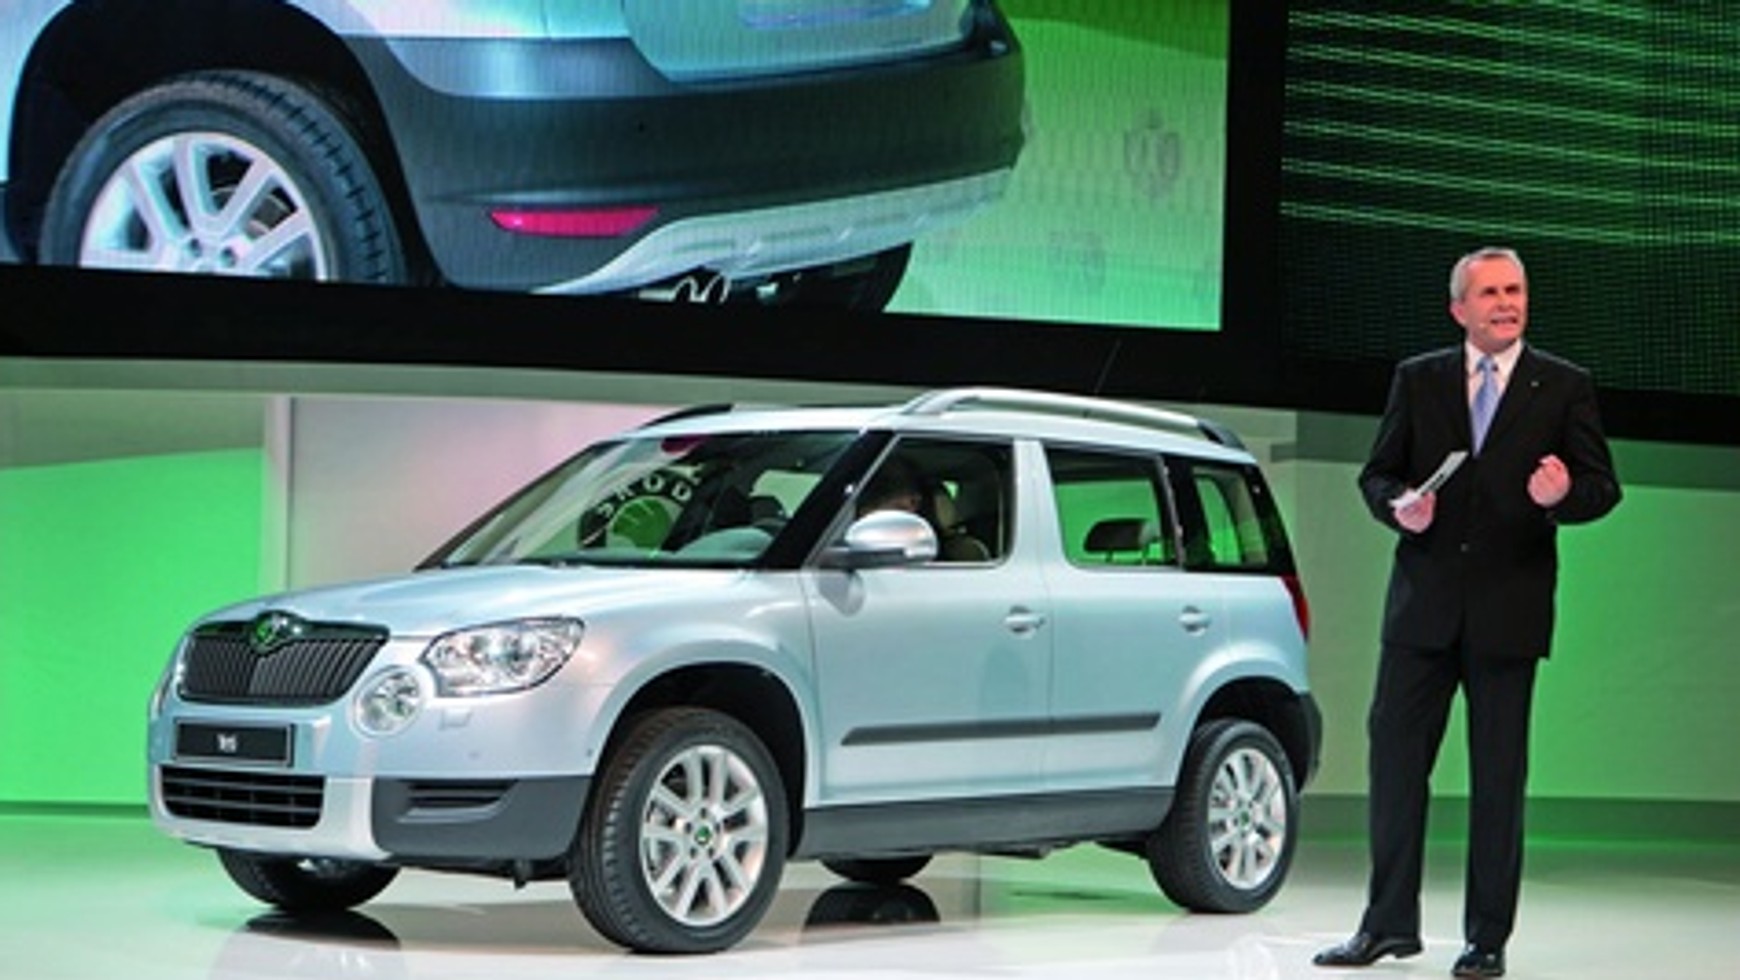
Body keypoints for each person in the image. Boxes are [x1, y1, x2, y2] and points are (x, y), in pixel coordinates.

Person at [1315, 246, 1621, 978]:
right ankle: (1387, 926)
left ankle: (1487, 939)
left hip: (1508, 614)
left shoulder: (1564, 385)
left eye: (1515, 291)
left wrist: (1563, 498)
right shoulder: (1418, 379)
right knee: (1395, 769)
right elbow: (1377, 474)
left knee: (1497, 783)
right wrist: (1398, 505)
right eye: (1490, 293)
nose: (1506, 304)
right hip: (1421, 612)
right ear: (1459, 308)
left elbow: (1601, 487)